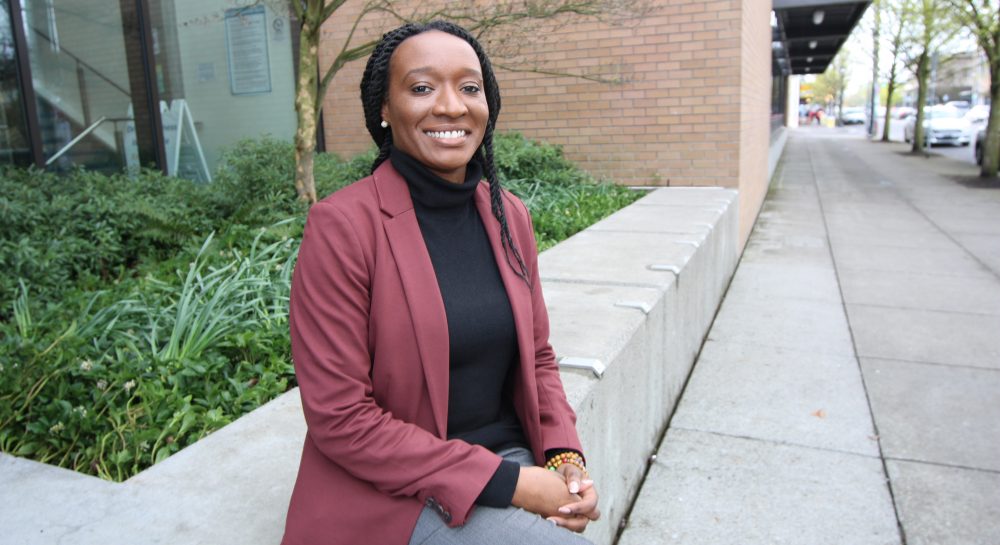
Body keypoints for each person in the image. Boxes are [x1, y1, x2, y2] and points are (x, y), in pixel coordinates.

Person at [281, 20, 600, 545]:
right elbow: (341, 417)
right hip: (394, 489)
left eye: (469, 87)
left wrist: (566, 460)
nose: (452, 107)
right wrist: (513, 485)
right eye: (423, 88)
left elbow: (537, 357)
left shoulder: (509, 216)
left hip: (507, 455)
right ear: (384, 109)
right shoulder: (343, 226)